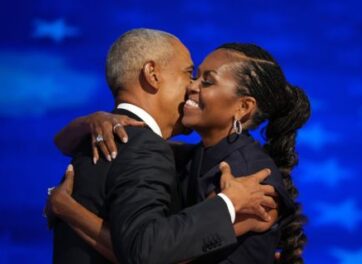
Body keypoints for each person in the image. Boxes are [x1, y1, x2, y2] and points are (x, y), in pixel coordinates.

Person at [52, 42, 311, 263]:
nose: (192, 87)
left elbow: (153, 256)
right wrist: (94, 120)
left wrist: (68, 210)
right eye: (195, 76)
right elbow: (65, 144)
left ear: (243, 107)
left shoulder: (249, 180)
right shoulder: (192, 156)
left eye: (207, 81)